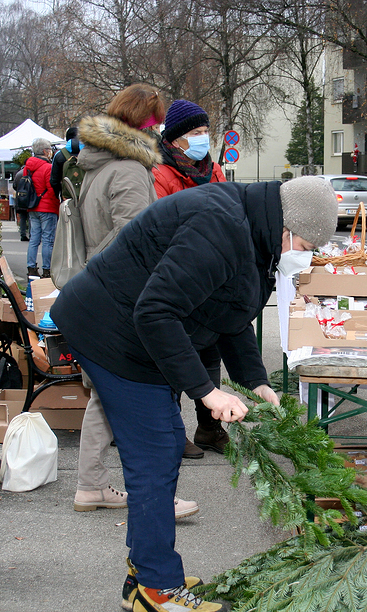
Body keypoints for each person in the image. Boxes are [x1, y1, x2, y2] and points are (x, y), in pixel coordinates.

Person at [51, 175, 337, 612]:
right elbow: (155, 311)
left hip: (136, 333)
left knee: (162, 446)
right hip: (112, 332)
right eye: (303, 245)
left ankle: (142, 576)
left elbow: (230, 315)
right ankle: (157, 591)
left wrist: (256, 382)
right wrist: (207, 392)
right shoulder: (221, 229)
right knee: (156, 452)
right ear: (286, 227)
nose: (302, 256)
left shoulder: (254, 233)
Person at [66, 84, 201, 518]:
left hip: (99, 290)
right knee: (145, 398)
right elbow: (136, 239)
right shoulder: (128, 169)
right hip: (124, 295)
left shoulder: (100, 164)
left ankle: (91, 485)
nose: (160, 131)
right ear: (144, 123)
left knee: (106, 396)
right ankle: (153, 495)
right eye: (156, 122)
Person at [153, 99, 227, 460]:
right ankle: (171, 430)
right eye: (196, 132)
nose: (203, 138)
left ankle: (209, 427)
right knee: (174, 354)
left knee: (209, 350)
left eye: (205, 131)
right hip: (177, 275)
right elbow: (159, 226)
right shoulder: (161, 173)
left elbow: (229, 213)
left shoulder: (215, 170)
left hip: (210, 275)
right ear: (177, 138)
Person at [24, 138, 60, 278]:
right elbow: (51, 190)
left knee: (34, 239)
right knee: (48, 239)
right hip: (47, 207)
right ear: (45, 151)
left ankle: (31, 267)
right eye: (50, 149)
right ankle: (47, 269)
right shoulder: (48, 167)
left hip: (32, 206)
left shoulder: (28, 167)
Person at [49, 126, 79, 201]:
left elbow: (54, 181)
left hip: (67, 198)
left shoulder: (59, 155)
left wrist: (60, 194)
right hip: (87, 197)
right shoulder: (88, 153)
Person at [12, 166, 30, 241]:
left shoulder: (18, 174)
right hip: (29, 198)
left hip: (20, 198)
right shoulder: (31, 173)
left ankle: (22, 234)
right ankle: (31, 234)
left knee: (22, 218)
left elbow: (14, 186)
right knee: (30, 217)